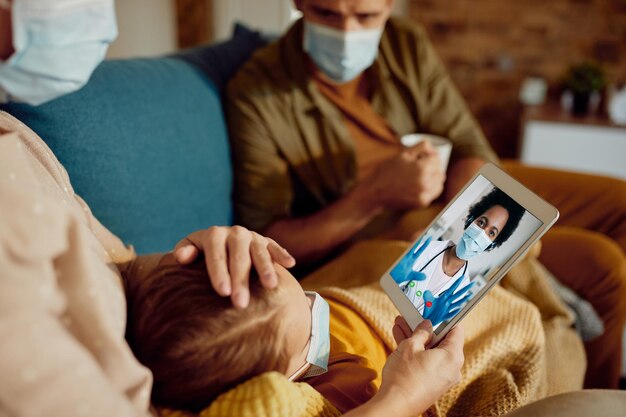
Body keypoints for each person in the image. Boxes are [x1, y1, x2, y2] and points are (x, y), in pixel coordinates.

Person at [226, 0, 626, 388]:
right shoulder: (256, 91)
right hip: (387, 224)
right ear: (299, 2)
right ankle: (591, 393)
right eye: (326, 13)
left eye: (365, 15)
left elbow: (468, 144)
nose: (346, 33)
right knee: (604, 267)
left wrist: (463, 214)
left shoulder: (404, 43)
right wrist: (375, 196)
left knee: (618, 202)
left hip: (459, 203)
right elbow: (269, 237)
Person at [125, 257, 465, 415]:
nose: (317, 305)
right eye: (310, 331)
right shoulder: (332, 398)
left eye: (305, 293)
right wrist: (406, 396)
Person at [393, 187, 525, 325]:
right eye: (481, 222)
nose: (481, 233)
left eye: (491, 233)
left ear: (492, 244)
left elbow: (431, 330)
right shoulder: (424, 248)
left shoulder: (462, 289)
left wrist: (429, 325)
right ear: (470, 220)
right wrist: (395, 279)